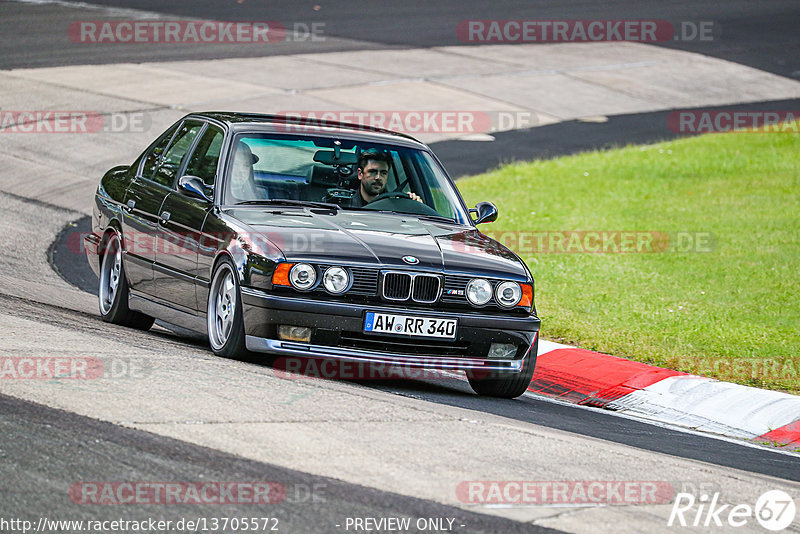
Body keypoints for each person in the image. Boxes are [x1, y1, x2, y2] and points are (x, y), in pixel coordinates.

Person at [349, 150, 422, 207]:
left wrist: (415, 205)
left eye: (383, 173)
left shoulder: (395, 205)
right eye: (373, 172)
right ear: (360, 174)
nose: (378, 177)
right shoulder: (346, 204)